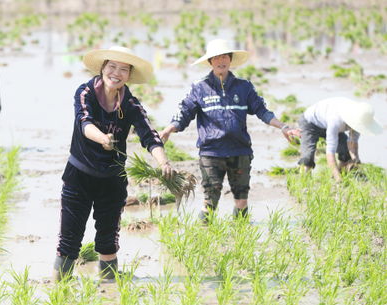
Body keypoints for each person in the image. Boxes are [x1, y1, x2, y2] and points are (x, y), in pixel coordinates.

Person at [54, 46, 174, 281]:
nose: (116, 73)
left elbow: (149, 135)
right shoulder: (85, 92)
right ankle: (60, 290)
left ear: (129, 75)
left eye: (123, 69)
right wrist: (102, 138)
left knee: (108, 239)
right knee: (69, 239)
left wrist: (163, 162)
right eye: (112, 67)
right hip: (79, 176)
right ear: (102, 68)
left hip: (112, 181)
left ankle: (109, 288)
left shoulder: (130, 104)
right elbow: (84, 122)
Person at [159, 39, 299, 221]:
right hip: (211, 152)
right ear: (210, 62)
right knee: (210, 201)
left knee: (241, 199)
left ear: (230, 59)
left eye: (224, 56)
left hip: (240, 151)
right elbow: (185, 112)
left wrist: (284, 127)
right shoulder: (199, 88)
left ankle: (241, 237)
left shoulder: (244, 87)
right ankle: (204, 238)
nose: (221, 60)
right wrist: (169, 129)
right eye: (216, 57)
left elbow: (262, 110)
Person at [297, 97, 382, 181]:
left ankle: (341, 174)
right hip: (310, 122)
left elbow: (352, 142)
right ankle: (304, 182)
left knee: (346, 152)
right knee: (308, 156)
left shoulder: (360, 121)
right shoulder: (336, 120)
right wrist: (338, 179)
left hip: (328, 123)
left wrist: (355, 159)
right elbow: (330, 152)